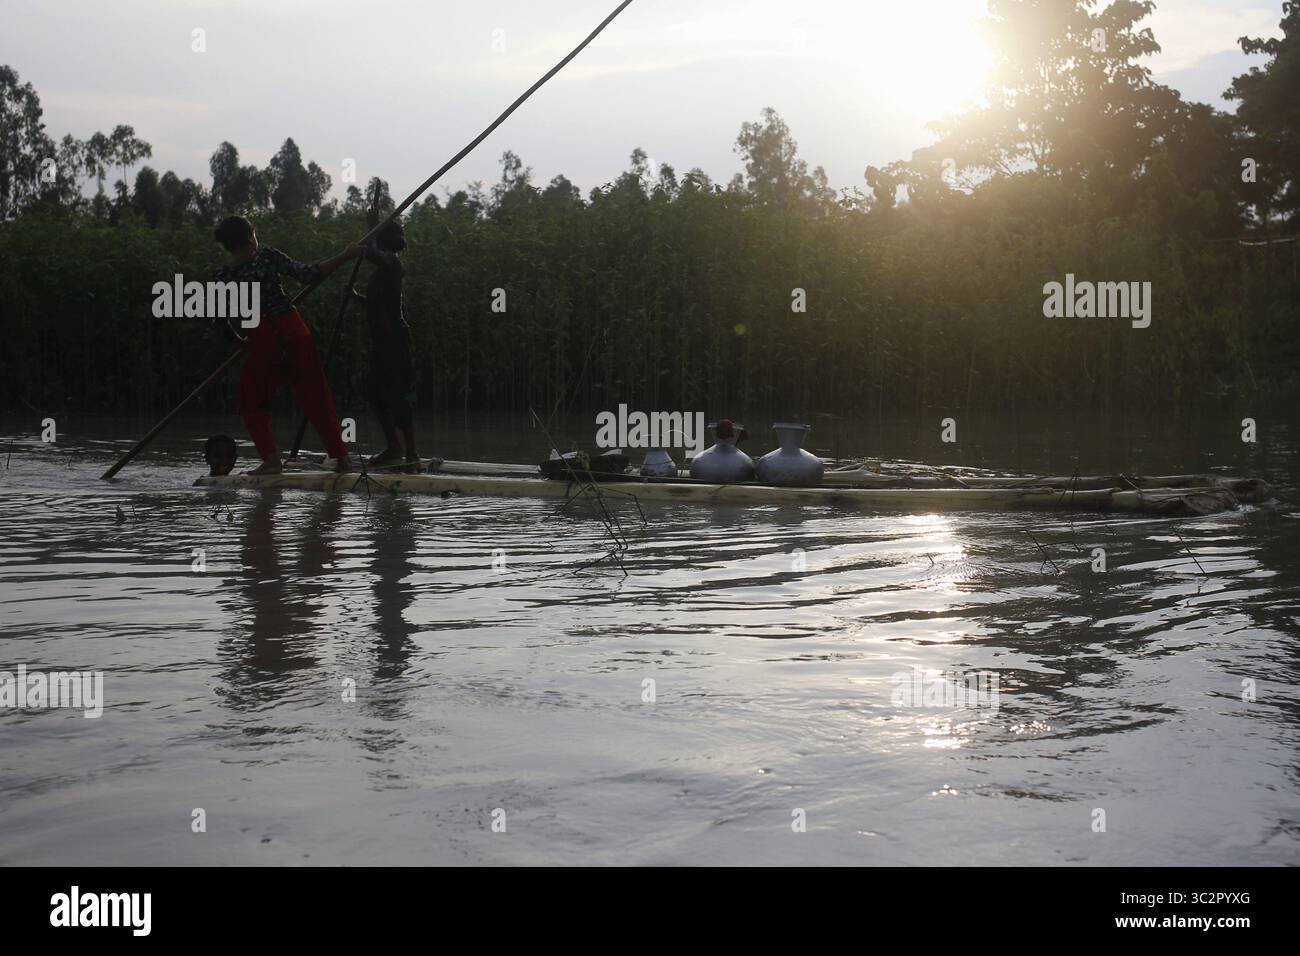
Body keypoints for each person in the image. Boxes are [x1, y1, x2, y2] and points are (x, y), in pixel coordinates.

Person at [212, 216, 360, 475]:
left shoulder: (223, 276)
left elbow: (219, 320)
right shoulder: (267, 256)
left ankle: (271, 461)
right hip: (293, 332)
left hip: (262, 340)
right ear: (251, 236)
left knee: (252, 401)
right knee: (316, 397)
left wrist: (238, 341)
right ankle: (342, 459)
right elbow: (310, 274)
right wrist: (345, 255)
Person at [350, 213, 418, 470]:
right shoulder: (384, 269)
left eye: (379, 238)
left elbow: (369, 252)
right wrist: (356, 297)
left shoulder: (392, 264)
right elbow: (378, 304)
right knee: (375, 394)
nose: (376, 242)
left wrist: (370, 227)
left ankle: (411, 453)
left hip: (395, 340)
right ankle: (394, 447)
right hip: (381, 340)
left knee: (398, 394)